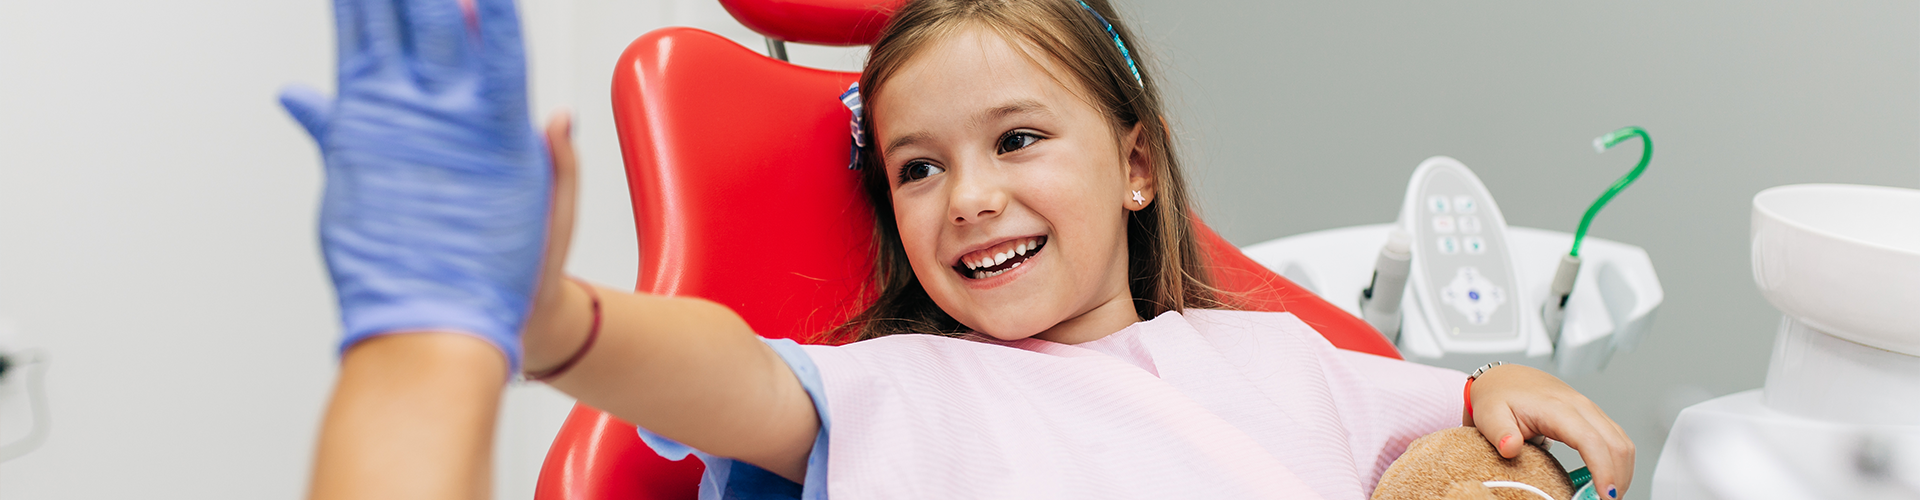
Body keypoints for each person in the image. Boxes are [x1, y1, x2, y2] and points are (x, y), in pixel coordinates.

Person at [284, 0, 1635, 499]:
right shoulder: (898, 389)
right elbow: (728, 371)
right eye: (918, 170)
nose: (967, 197)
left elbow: (1461, 435)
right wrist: (557, 320)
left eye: (1018, 141)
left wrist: (1502, 391)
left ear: (1138, 165)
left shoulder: (1279, 351)